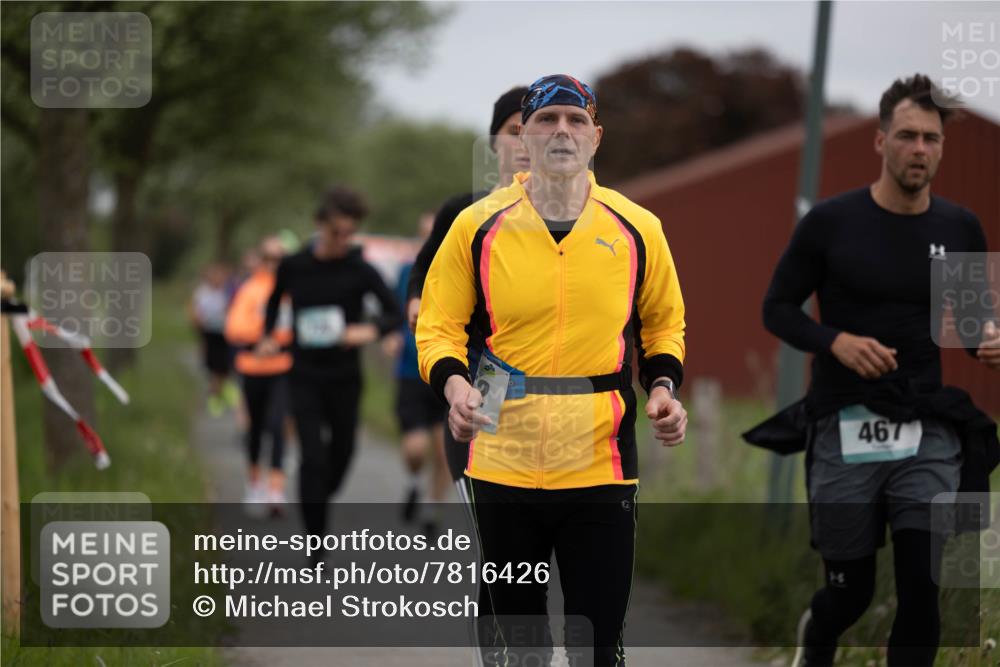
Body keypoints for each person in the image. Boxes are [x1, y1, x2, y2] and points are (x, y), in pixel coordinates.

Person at [416, 74, 687, 667]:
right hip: (502, 456)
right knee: (523, 648)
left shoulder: (639, 227)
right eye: (545, 120)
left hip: (600, 460)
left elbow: (664, 325)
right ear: (524, 138)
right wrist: (456, 385)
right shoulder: (476, 226)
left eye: (575, 120)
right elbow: (437, 327)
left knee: (596, 646)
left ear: (596, 138)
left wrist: (664, 388)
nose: (561, 130)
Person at [744, 74, 999, 667]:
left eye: (931, 139)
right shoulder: (832, 223)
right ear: (880, 142)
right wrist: (836, 342)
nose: (920, 149)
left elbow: (970, 323)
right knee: (850, 590)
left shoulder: (958, 228)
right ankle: (819, 632)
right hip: (844, 422)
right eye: (907, 136)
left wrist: (986, 339)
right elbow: (777, 309)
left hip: (926, 426)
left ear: (941, 147)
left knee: (921, 587)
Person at [258, 186, 402, 559]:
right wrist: (269, 336)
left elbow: (394, 313)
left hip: (344, 376)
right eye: (336, 231)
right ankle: (316, 541)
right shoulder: (295, 266)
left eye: (349, 232)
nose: (342, 239)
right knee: (312, 456)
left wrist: (368, 331)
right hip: (304, 372)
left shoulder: (360, 269)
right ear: (320, 224)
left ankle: (320, 495)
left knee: (342, 451)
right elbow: (274, 302)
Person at [406, 85, 531, 495]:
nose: (527, 142)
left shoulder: (575, 219)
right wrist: (416, 300)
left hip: (558, 381)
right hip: (485, 369)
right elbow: (424, 268)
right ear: (495, 141)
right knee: (490, 501)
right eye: (516, 130)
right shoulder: (462, 212)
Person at [381, 212, 450, 534]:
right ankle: (412, 482)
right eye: (425, 234)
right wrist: (392, 335)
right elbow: (393, 313)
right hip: (411, 371)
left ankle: (432, 512)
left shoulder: (458, 271)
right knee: (415, 448)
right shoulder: (407, 273)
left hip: (449, 374)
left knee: (444, 451)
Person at [225, 236, 293, 517]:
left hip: (283, 367)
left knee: (278, 427)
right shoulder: (250, 290)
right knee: (255, 430)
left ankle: (276, 488)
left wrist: (277, 340)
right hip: (252, 368)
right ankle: (254, 483)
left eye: (280, 258)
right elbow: (234, 327)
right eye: (269, 258)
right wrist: (261, 336)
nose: (274, 264)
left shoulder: (291, 291)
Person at [190, 262, 236, 417]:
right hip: (210, 334)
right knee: (214, 369)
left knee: (225, 367)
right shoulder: (202, 293)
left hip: (225, 334)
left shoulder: (226, 292)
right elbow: (196, 314)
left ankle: (222, 393)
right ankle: (214, 398)